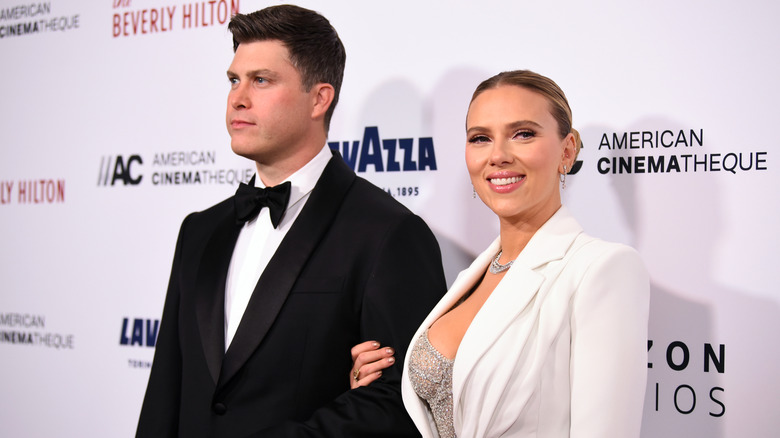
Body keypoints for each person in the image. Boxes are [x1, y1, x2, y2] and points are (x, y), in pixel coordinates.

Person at [136, 5, 447, 437]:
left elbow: (402, 403)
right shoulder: (199, 231)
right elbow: (165, 391)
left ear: (319, 98)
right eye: (234, 80)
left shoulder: (388, 234)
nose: (238, 98)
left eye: (261, 80)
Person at [351, 70, 650, 437]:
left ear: (567, 150)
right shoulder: (470, 278)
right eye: (480, 138)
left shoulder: (601, 268)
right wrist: (375, 387)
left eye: (523, 134)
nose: (498, 156)